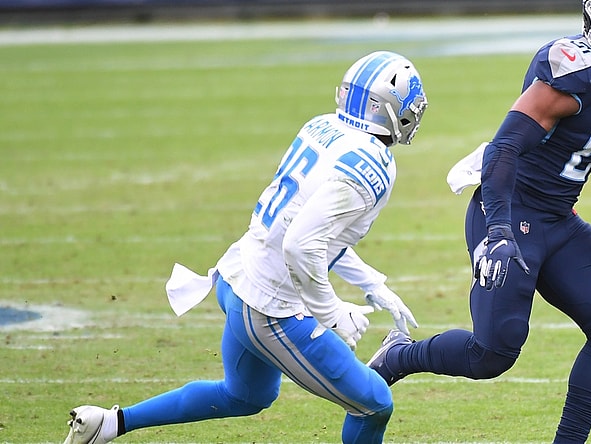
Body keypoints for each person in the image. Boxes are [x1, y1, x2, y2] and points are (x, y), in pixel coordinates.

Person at [62, 50, 427, 444]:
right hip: (268, 309)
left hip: (237, 276)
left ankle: (108, 424)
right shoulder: (372, 162)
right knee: (373, 403)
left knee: (246, 394)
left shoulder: (323, 126)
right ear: (385, 107)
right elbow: (301, 245)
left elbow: (310, 229)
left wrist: (371, 283)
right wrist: (332, 312)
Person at [367, 1, 591, 442]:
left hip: (559, 219)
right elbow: (503, 148)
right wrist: (498, 232)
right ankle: (398, 356)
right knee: (492, 354)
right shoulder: (573, 71)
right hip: (508, 213)